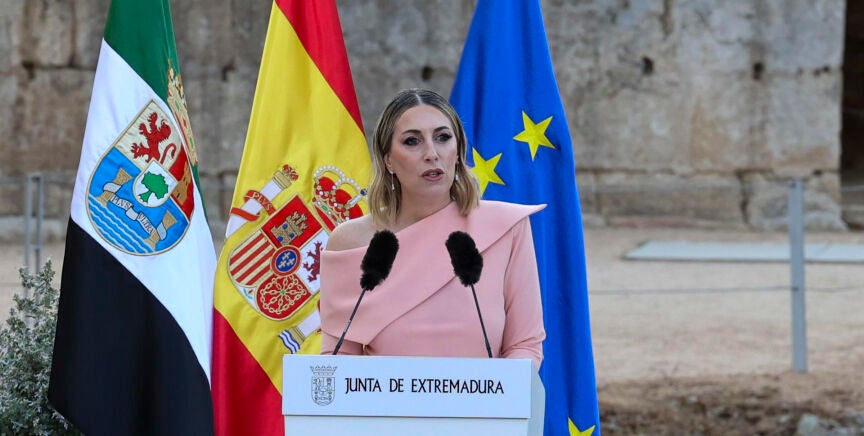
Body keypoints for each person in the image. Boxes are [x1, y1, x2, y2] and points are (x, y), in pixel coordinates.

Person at [318, 88, 546, 369]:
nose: (431, 153)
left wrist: (500, 392)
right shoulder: (351, 242)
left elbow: (525, 346)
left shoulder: (506, 228)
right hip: (384, 399)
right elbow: (339, 359)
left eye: (443, 137)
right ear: (388, 160)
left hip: (484, 398)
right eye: (412, 141)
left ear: (458, 151)